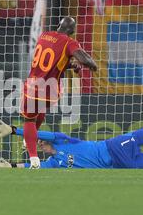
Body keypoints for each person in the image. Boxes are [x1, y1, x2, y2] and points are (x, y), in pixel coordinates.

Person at [0, 107, 143, 169]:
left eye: (41, 142)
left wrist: (13, 130)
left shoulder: (63, 140)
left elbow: (38, 132)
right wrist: (11, 165)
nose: (39, 144)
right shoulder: (53, 163)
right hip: (121, 164)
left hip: (115, 146)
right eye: (38, 144)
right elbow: (32, 165)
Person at [22, 16, 98, 169]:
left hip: (33, 87)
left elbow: (48, 62)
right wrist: (92, 64)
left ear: (58, 26)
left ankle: (34, 159)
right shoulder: (69, 42)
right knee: (40, 109)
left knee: (29, 120)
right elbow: (83, 58)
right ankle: (30, 138)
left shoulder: (44, 36)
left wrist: (70, 64)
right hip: (51, 92)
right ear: (72, 32)